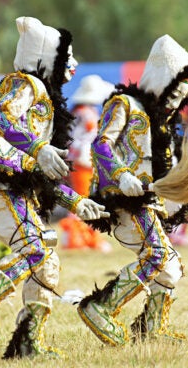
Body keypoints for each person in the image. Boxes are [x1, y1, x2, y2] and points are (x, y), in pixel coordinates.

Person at [0, 17, 109, 360]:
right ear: (46, 59)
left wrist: (76, 203)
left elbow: (34, 175)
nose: (73, 64)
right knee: (38, 250)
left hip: (13, 188)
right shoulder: (26, 83)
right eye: (66, 56)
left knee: (46, 261)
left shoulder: (44, 99)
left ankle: (28, 342)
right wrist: (38, 149)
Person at [77, 34, 188, 347]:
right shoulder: (124, 104)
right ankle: (100, 307)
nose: (177, 100)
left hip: (150, 203)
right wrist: (121, 174)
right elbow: (100, 144)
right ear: (160, 80)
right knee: (158, 256)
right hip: (123, 201)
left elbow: (170, 174)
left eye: (183, 95)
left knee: (170, 269)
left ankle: (151, 327)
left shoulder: (165, 125)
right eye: (173, 90)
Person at [59, 74, 114, 252]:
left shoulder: (77, 111)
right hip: (83, 160)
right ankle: (78, 239)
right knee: (84, 199)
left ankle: (85, 238)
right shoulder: (88, 113)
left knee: (84, 198)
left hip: (76, 159)